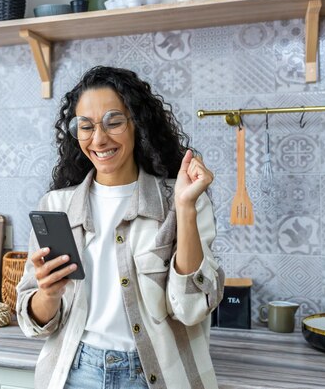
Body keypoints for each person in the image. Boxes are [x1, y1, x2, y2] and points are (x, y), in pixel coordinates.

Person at [16, 66, 225, 389]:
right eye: (85, 126)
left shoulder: (181, 199)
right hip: (75, 373)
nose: (99, 138)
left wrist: (183, 208)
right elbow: (34, 323)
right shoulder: (56, 207)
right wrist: (48, 293)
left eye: (113, 122)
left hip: (157, 377)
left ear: (136, 125)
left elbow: (191, 308)